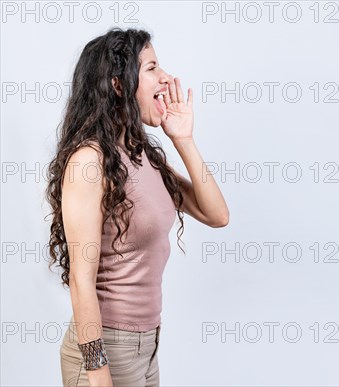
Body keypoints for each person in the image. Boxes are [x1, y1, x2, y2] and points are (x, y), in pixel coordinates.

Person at [45, 27, 229, 386]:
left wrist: (183, 139)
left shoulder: (144, 155)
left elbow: (216, 214)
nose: (166, 77)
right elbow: (81, 282)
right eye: (151, 68)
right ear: (118, 85)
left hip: (147, 346)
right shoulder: (89, 161)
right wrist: (97, 373)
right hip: (105, 349)